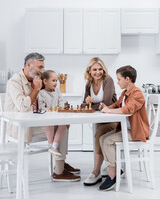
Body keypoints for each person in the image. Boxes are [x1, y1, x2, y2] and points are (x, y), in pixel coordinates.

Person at [5, 52, 80, 182]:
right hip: (22, 126)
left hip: (37, 121)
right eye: (40, 67)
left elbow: (49, 100)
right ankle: (59, 170)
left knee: (64, 123)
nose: (42, 70)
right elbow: (23, 107)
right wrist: (36, 89)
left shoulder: (37, 80)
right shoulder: (14, 82)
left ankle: (59, 163)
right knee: (60, 126)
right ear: (29, 65)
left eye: (43, 67)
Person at [98, 65, 149, 191]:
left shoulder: (137, 93)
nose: (117, 82)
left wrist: (109, 112)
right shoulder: (125, 93)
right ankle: (116, 168)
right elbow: (117, 105)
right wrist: (107, 107)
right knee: (102, 138)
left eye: (119, 79)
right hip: (128, 131)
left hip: (136, 132)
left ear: (127, 79)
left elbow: (128, 109)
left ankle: (112, 174)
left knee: (107, 141)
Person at [83, 57, 117, 186]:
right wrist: (88, 104)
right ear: (89, 71)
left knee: (99, 134)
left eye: (100, 69)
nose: (98, 72)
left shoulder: (108, 80)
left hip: (113, 119)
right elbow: (83, 104)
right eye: (94, 69)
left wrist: (90, 105)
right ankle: (106, 166)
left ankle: (96, 171)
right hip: (99, 119)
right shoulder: (88, 84)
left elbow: (107, 103)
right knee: (98, 134)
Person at [38, 70, 67, 157]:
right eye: (53, 80)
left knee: (64, 124)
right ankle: (51, 145)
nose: (56, 83)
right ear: (45, 81)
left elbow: (61, 104)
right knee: (49, 122)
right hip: (47, 118)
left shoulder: (57, 91)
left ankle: (54, 146)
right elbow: (42, 108)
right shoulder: (41, 93)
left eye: (56, 81)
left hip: (57, 117)